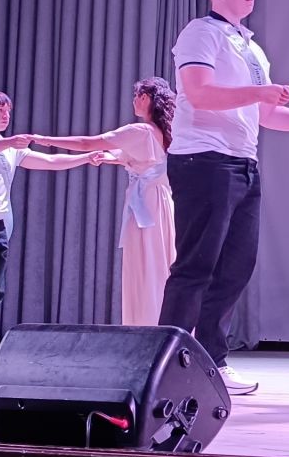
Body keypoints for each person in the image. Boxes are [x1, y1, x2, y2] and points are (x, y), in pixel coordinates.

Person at [158, 0, 289, 396]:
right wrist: (262, 91)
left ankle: (211, 362)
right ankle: (163, 366)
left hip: (243, 163)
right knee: (196, 265)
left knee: (236, 267)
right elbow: (199, 93)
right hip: (204, 159)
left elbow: (266, 114)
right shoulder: (201, 32)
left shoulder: (252, 48)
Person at [0, 89, 107, 372]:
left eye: (8, 111)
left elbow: (49, 162)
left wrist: (86, 158)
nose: (6, 115)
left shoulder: (10, 148)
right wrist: (9, 142)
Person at [31, 77, 179, 326]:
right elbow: (142, 161)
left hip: (146, 205)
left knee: (145, 265)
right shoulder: (163, 132)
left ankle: (146, 325)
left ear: (145, 98)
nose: (134, 101)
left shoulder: (140, 130)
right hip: (161, 202)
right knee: (158, 264)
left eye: (136, 96)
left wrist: (46, 140)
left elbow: (87, 142)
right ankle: (161, 323)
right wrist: (111, 158)